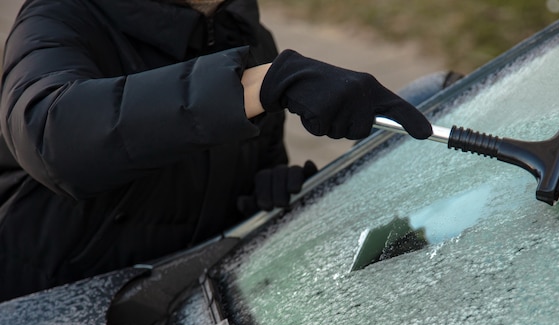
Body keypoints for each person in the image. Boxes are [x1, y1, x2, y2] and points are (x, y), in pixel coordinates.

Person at [0, 0, 432, 301]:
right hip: (40, 322)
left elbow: (221, 202)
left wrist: (259, 201)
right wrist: (253, 86)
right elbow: (51, 137)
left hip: (170, 323)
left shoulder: (249, 39)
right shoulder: (59, 18)